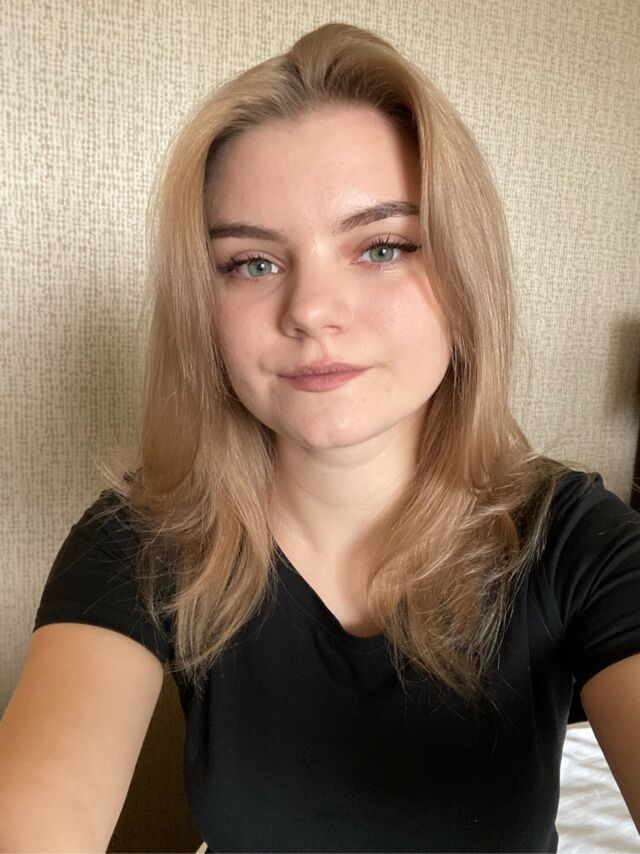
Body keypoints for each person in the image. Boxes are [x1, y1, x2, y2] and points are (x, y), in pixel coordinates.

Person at [1, 21, 639, 853]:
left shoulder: (577, 542)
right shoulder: (141, 539)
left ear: (466, 276)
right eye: (253, 263)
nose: (309, 310)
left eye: (382, 247)